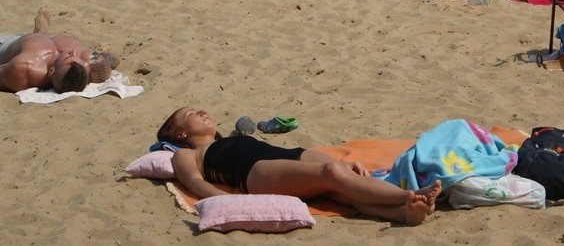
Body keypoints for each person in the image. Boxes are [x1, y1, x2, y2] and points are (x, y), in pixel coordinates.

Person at [157, 107, 441, 226]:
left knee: (338, 188)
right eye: (192, 114)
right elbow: (195, 185)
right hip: (255, 171)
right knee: (331, 174)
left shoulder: (228, 138)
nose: (203, 112)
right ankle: (407, 197)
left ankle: (404, 214)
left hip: (285, 154)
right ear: (180, 133)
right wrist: (230, 201)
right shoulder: (185, 154)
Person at [0, 8, 118, 93]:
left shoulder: (24, 68)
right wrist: (110, 60)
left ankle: (40, 33)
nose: (72, 52)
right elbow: (109, 59)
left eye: (68, 57)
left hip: (6, 44)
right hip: (35, 40)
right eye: (77, 58)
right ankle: (41, 32)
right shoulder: (81, 68)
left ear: (51, 71)